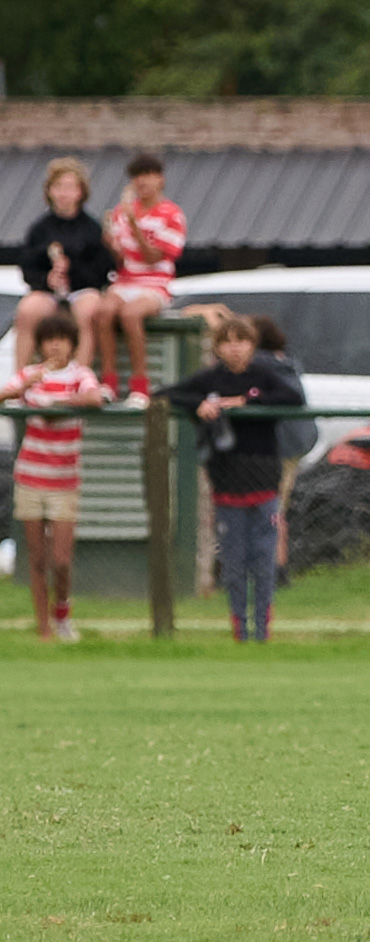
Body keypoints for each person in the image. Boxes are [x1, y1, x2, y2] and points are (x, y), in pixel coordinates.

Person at [158, 317, 304, 641]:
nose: (235, 348)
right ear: (217, 346)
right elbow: (166, 393)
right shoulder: (210, 379)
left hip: (264, 480)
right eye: (227, 341)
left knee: (263, 560)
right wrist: (199, 405)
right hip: (226, 481)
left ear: (253, 345)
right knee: (234, 562)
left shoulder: (264, 377)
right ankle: (239, 627)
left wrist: (246, 403)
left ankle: (262, 629)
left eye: (242, 341)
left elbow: (293, 398)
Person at [0, 315, 107, 641]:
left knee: (60, 559)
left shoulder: (80, 375)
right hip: (31, 476)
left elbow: (95, 397)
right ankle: (43, 628)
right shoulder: (31, 374)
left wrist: (58, 403)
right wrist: (23, 388)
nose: (56, 345)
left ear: (73, 343)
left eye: (62, 338)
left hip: (64, 479)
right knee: (37, 559)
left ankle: (62, 611)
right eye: (49, 339)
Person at [96, 152, 187, 407]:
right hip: (125, 280)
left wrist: (135, 226)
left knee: (130, 315)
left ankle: (140, 385)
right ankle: (109, 381)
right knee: (103, 313)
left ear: (160, 180)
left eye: (149, 176)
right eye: (138, 177)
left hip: (154, 283)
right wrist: (110, 243)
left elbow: (152, 256)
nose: (143, 183)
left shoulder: (171, 215)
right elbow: (122, 259)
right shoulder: (121, 212)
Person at [14, 158, 112, 372]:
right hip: (48, 291)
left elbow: (101, 272)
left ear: (80, 192)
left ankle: (79, 376)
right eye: (58, 187)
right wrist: (46, 279)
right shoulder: (40, 228)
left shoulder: (91, 228)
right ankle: (20, 378)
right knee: (27, 311)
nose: (64, 193)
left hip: (82, 289)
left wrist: (74, 272)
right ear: (49, 191)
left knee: (89, 310)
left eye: (69, 187)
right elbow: (27, 267)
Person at [250, 314, 317, 587]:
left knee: (269, 507)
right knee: (277, 507)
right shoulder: (286, 364)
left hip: (276, 447)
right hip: (293, 445)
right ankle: (276, 568)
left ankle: (274, 569)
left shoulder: (261, 365)